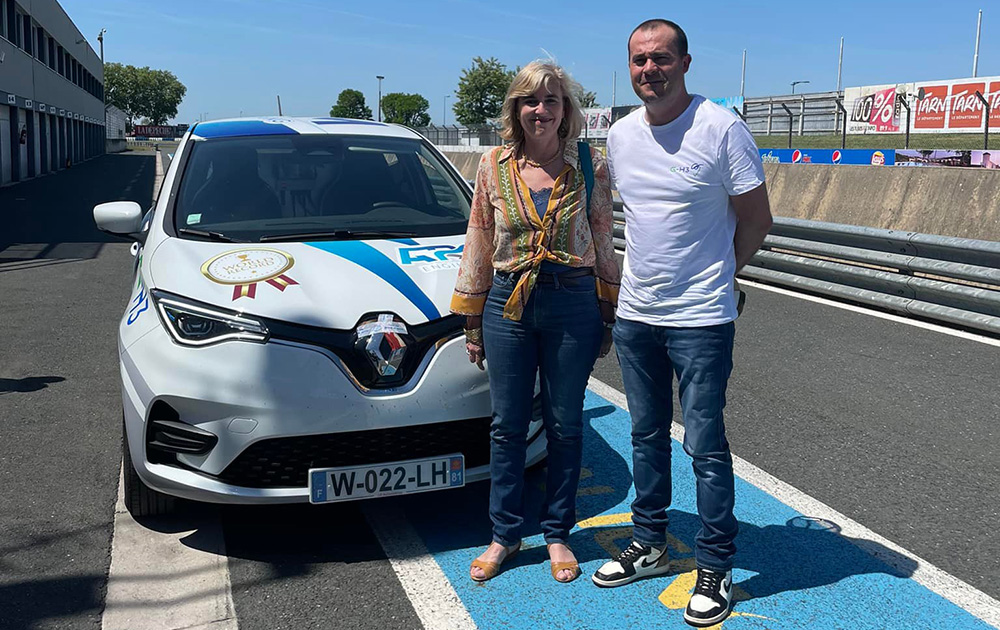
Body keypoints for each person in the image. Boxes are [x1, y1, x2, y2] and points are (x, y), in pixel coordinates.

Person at [590, 19, 773, 628]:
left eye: (661, 58)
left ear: (686, 62)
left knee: (704, 443)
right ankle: (650, 541)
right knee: (644, 435)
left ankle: (715, 564)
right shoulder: (619, 136)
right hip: (637, 315)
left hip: (700, 318)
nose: (650, 70)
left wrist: (721, 273)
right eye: (639, 60)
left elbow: (756, 219)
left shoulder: (722, 129)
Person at [450, 60, 621, 584]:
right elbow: (478, 237)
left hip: (572, 302)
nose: (540, 110)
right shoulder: (492, 164)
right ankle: (503, 534)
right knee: (506, 425)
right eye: (530, 100)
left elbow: (602, 233)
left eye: (551, 100)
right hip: (508, 302)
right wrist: (472, 319)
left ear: (565, 110)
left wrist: (609, 310)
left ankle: (557, 533)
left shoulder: (590, 163)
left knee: (566, 423)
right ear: (516, 109)